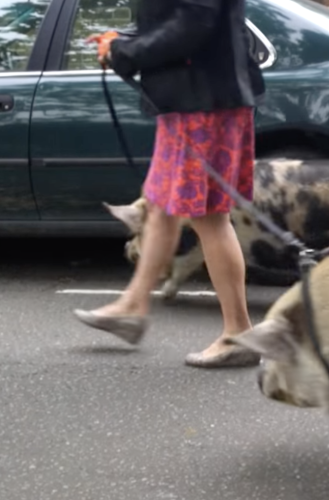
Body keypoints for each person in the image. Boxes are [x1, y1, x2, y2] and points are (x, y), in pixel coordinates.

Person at [73, 0, 267, 368]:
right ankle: (132, 307)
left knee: (210, 216)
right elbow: (176, 18)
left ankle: (238, 334)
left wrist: (124, 51)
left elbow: (193, 23)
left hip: (204, 102)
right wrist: (121, 41)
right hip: (189, 98)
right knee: (161, 204)